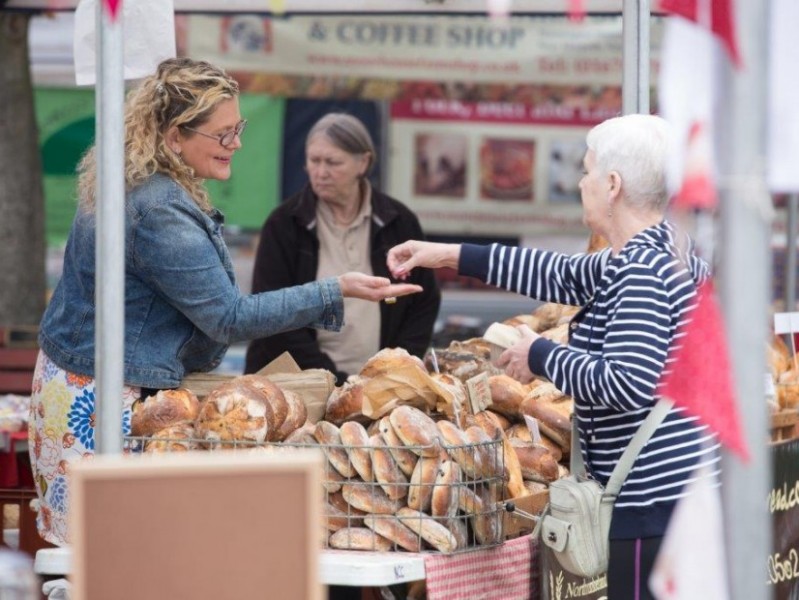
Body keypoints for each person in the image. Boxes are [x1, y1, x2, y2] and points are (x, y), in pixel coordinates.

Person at [28, 58, 421, 547]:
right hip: (101, 402)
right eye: (222, 135)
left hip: (81, 384)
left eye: (239, 129)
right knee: (112, 556)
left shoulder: (140, 184)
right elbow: (227, 316)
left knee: (101, 554)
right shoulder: (158, 210)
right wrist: (334, 288)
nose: (236, 145)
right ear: (174, 136)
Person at [387, 114, 720, 599]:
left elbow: (627, 384)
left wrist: (540, 354)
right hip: (681, 494)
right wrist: (445, 254)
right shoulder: (663, 249)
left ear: (612, 184)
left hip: (654, 505)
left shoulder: (641, 271)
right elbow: (559, 274)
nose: (580, 183)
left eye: (587, 172)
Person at [244, 113, 440, 383]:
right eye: (314, 160)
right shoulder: (285, 224)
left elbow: (424, 301)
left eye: (333, 162)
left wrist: (395, 368)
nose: (321, 172)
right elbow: (272, 315)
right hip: (297, 384)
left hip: (381, 383)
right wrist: (333, 380)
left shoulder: (398, 221)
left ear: (363, 162)